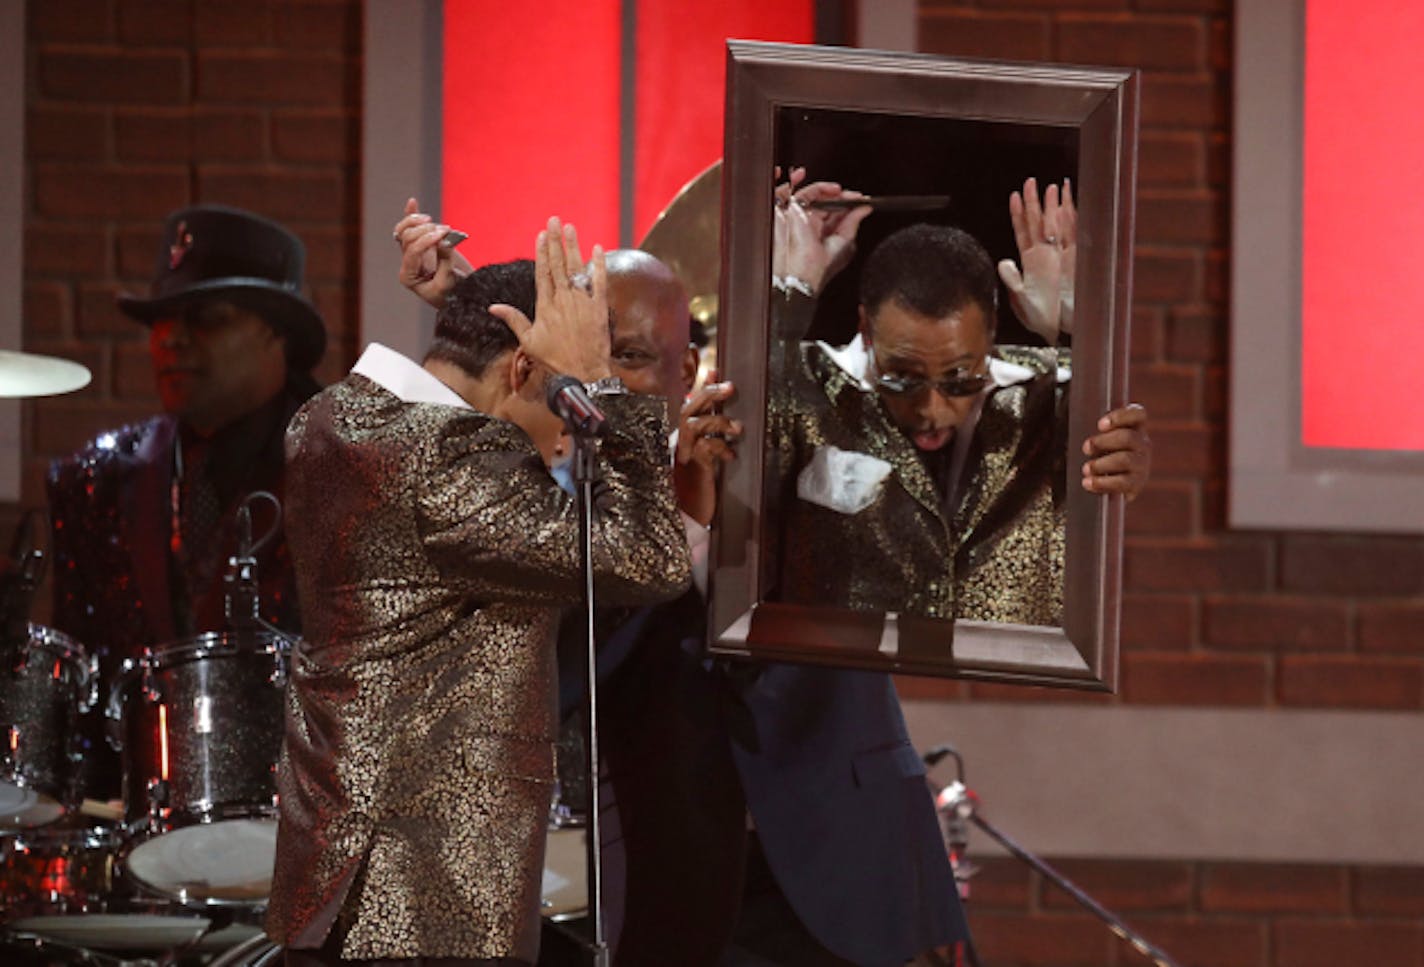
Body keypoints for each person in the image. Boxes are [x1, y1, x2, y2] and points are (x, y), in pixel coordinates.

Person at [265, 219, 691, 967]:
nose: (566, 440)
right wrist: (599, 387)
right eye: (565, 409)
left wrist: (474, 302)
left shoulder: (328, 422)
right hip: (428, 906)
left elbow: (477, 392)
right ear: (524, 369)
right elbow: (651, 556)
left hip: (344, 888)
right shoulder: (454, 462)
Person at [769, 173, 1150, 624]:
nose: (931, 409)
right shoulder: (802, 378)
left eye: (958, 378)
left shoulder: (1051, 394)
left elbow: (1103, 458)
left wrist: (1074, 326)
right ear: (867, 331)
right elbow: (744, 458)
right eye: (903, 378)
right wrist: (784, 297)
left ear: (991, 334)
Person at [46, 204, 327, 799]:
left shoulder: (352, 468)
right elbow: (79, 697)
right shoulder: (92, 481)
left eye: (205, 318)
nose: (170, 340)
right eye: (158, 322)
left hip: (317, 835)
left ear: (276, 331)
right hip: (145, 843)